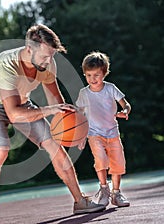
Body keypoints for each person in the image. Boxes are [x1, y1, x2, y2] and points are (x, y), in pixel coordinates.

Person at [0, 24, 105, 224]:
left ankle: (80, 201)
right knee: (1, 150)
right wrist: (49, 111)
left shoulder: (47, 63)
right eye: (45, 56)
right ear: (29, 49)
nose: (49, 61)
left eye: (52, 56)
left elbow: (56, 103)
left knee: (54, 145)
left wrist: (77, 128)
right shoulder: (7, 64)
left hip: (23, 102)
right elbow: (13, 113)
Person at [76, 51, 131, 208]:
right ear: (85, 74)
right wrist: (80, 136)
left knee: (118, 163)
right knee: (100, 159)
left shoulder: (110, 88)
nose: (92, 79)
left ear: (104, 73)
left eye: (96, 75)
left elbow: (126, 104)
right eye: (88, 75)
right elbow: (79, 115)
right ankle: (104, 188)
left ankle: (116, 193)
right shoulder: (84, 93)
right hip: (94, 134)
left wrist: (125, 111)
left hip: (113, 133)